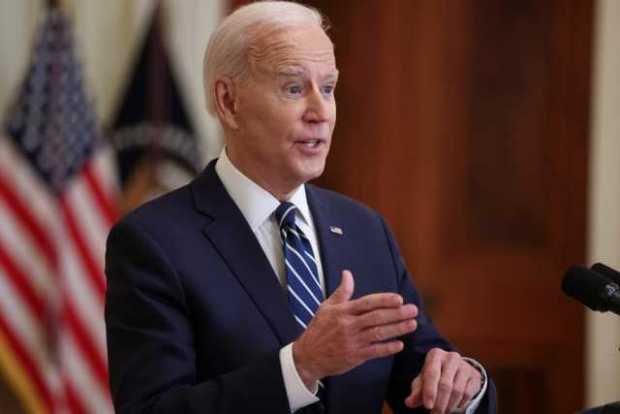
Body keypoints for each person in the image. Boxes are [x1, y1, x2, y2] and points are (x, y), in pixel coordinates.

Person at [104, 2, 497, 413]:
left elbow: (420, 375)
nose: (320, 112)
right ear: (229, 102)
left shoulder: (364, 230)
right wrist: (300, 368)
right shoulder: (154, 241)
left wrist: (463, 384)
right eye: (294, 88)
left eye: (328, 89)